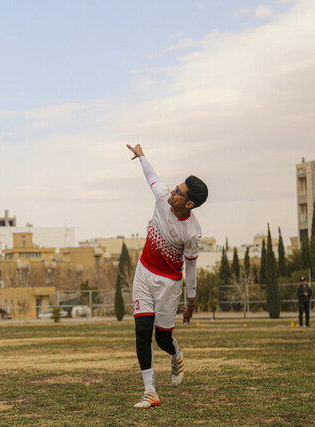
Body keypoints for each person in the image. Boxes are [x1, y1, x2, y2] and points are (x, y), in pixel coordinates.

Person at [126, 143, 208, 409]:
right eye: (175, 187)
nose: (172, 192)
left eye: (179, 192)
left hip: (168, 285)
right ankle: (150, 391)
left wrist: (191, 303)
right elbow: (152, 177)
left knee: (162, 339)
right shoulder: (163, 197)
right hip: (143, 273)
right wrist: (142, 157)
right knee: (141, 331)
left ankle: (175, 354)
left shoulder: (192, 232)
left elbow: (192, 268)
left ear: (190, 203)